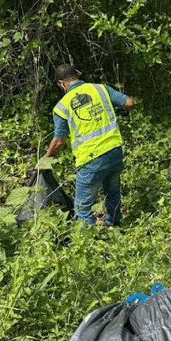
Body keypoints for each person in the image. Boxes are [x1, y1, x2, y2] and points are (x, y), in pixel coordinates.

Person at [45, 64, 134, 227]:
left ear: (62, 83)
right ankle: (114, 227)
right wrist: (116, 109)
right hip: (114, 152)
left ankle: (87, 242)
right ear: (76, 76)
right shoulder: (100, 89)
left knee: (82, 207)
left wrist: (45, 161)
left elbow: (58, 142)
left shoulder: (62, 106)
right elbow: (128, 102)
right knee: (113, 193)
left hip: (90, 160)